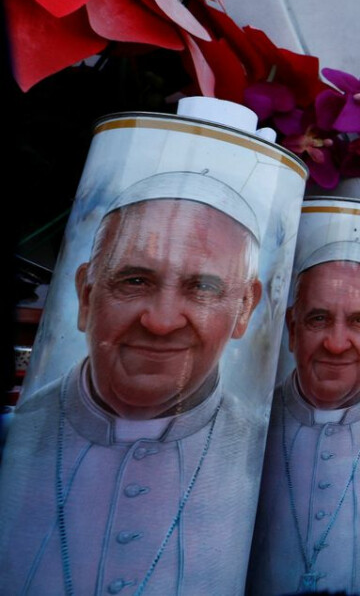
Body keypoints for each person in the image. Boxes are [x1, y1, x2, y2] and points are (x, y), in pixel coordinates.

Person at [0, 172, 265, 595]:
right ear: (87, 296)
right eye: (135, 281)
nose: (161, 322)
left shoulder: (267, 454)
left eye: (202, 287)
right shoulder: (12, 438)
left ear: (244, 308)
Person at [248, 243, 360, 595]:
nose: (335, 344)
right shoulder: (253, 424)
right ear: (292, 328)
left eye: (359, 321)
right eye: (318, 319)